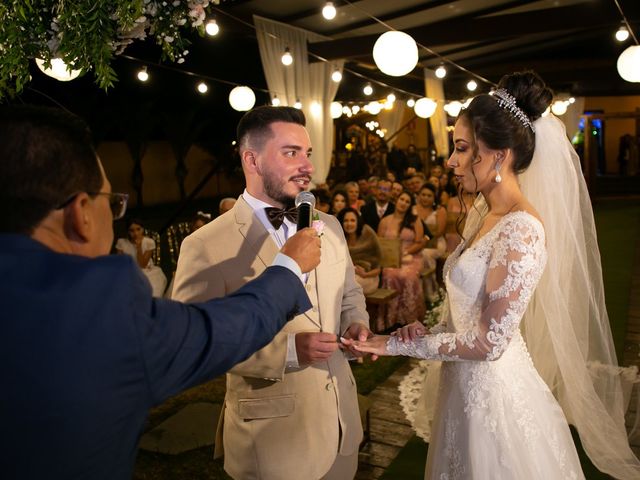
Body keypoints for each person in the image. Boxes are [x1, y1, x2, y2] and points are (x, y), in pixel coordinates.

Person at [0, 105, 322, 480]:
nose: (306, 166)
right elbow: (213, 332)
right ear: (81, 213)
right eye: (113, 202)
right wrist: (288, 270)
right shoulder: (98, 308)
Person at [350, 71, 640, 479]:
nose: (451, 161)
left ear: (499, 155)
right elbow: (469, 309)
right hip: (462, 391)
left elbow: (488, 342)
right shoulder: (485, 215)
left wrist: (393, 345)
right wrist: (426, 329)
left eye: (463, 148)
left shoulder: (521, 228)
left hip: (493, 399)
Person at [172, 106, 372, 480]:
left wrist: (356, 323)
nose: (308, 166)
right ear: (252, 159)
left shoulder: (328, 225)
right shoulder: (205, 245)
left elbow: (350, 294)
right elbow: (193, 343)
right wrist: (291, 351)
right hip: (272, 443)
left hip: (342, 426)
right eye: (291, 152)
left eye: (307, 153)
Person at [376, 190, 425, 332]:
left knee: (407, 276)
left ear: (410, 205)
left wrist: (406, 251)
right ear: (396, 200)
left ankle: (409, 318)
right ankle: (392, 319)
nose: (403, 203)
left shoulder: (414, 220)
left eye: (407, 201)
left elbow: (420, 242)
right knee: (389, 275)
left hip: (410, 257)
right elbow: (380, 243)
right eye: (402, 199)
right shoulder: (385, 221)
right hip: (391, 259)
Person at [115, 217, 168, 297]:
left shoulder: (149, 242)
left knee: (150, 292)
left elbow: (142, 265)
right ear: (128, 231)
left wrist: (139, 247)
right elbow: (120, 262)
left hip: (147, 272)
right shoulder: (122, 243)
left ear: (142, 229)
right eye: (132, 230)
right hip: (129, 272)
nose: (135, 233)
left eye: (138, 229)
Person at [337, 207, 382, 295]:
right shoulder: (339, 238)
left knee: (348, 286)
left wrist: (365, 274)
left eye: (352, 220)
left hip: (368, 277)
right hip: (345, 276)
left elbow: (378, 269)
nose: (349, 224)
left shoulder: (368, 234)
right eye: (346, 221)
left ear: (358, 221)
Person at [414, 184, 446, 301]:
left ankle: (430, 290)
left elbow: (440, 231)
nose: (425, 198)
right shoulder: (413, 209)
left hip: (436, 243)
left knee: (425, 254)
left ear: (434, 198)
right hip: (417, 242)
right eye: (423, 195)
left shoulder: (439, 210)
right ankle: (417, 291)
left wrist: (425, 238)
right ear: (418, 196)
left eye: (429, 195)